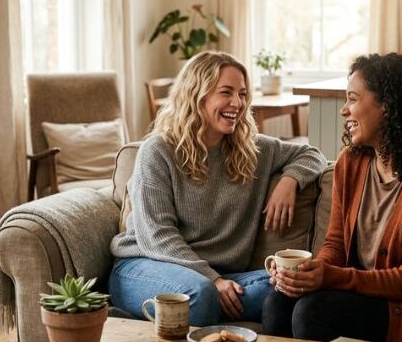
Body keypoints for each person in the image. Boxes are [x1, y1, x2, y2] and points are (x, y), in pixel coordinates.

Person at [262, 53, 402, 342]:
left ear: (387, 105)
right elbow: (335, 243)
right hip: (366, 295)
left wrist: (330, 277)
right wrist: (308, 273)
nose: (344, 110)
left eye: (352, 99)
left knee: (313, 312)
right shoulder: (351, 162)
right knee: (277, 303)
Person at [110, 51, 327, 327]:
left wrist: (290, 181)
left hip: (217, 277)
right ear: (197, 95)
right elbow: (157, 237)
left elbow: (313, 154)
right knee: (199, 294)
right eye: (226, 92)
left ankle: (156, 317)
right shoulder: (159, 151)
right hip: (145, 266)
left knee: (288, 287)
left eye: (242, 94)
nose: (237, 103)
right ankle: (175, 314)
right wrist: (213, 281)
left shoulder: (253, 150)